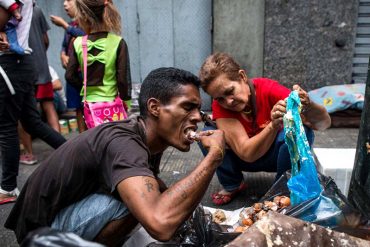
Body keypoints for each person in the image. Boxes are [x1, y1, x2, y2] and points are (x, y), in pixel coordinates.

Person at [5, 67, 225, 246]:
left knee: (148, 195)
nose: (197, 117)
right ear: (155, 107)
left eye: (198, 109)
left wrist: (191, 216)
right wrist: (213, 156)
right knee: (138, 203)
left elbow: (157, 188)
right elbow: (160, 224)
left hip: (57, 217)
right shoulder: (124, 144)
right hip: (41, 237)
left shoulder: (148, 137)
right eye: (188, 107)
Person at [198, 53, 331, 205]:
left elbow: (323, 124)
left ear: (242, 76)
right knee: (208, 135)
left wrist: (308, 105)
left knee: (303, 131)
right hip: (243, 159)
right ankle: (232, 183)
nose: (228, 101)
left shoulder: (268, 89)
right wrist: (273, 125)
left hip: (278, 157)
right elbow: (246, 154)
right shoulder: (221, 108)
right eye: (219, 98)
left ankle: (282, 190)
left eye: (229, 91)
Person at [0, 0, 66, 205]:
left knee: (6, 127)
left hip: (10, 62)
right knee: (31, 122)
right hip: (21, 61)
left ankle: (9, 188)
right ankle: (75, 152)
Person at [65, 0, 132, 129]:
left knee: (95, 143)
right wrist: (126, 101)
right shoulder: (118, 42)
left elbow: (69, 75)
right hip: (113, 107)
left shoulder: (78, 43)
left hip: (90, 106)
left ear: (83, 15)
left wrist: (85, 87)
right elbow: (123, 80)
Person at [50, 0, 86, 132]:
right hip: (72, 73)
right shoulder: (71, 25)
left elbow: (85, 36)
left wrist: (64, 25)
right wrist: (62, 55)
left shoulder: (87, 23)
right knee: (78, 108)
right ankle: (83, 139)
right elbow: (64, 46)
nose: (65, 4)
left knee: (87, 106)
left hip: (84, 74)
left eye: (69, 0)